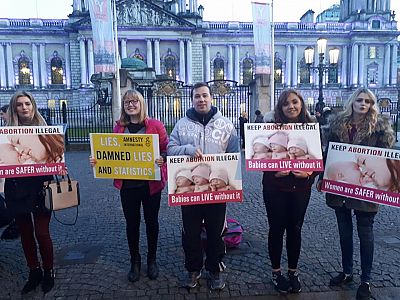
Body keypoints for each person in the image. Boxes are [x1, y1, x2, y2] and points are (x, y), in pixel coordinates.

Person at [317, 88, 395, 300]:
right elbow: (328, 154)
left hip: (364, 188)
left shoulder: (380, 129)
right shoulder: (337, 126)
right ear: (352, 102)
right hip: (340, 186)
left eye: (368, 101)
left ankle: (366, 279)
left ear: (372, 105)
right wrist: (322, 176)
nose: (363, 104)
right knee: (344, 232)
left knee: (365, 234)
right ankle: (347, 271)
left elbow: (383, 161)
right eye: (359, 100)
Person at [90, 89, 168, 283]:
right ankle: (135, 260)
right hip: (128, 185)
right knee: (131, 224)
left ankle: (152, 259)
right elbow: (112, 152)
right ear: (124, 107)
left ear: (141, 104)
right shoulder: (119, 128)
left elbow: (167, 149)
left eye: (134, 101)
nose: (131, 105)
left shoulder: (156, 126)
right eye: (127, 103)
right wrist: (97, 160)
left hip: (151, 185)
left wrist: (163, 158)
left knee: (152, 223)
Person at [167, 82, 238, 291]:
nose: (201, 99)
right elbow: (170, 149)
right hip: (190, 190)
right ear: (192, 99)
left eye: (205, 95)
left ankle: (214, 269)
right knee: (191, 232)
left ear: (211, 98)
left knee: (216, 232)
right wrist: (187, 149)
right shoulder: (181, 124)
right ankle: (193, 269)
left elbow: (233, 155)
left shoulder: (226, 125)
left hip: (216, 190)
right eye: (197, 96)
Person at [4, 91, 63, 294]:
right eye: (19, 104)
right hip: (16, 189)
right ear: (14, 108)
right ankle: (33, 271)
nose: (24, 108)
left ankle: (48, 271)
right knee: (26, 234)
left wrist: (59, 165)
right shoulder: (5, 134)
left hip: (41, 188)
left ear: (33, 106)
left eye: (27, 103)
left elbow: (56, 156)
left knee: (42, 233)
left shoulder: (46, 130)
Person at [262, 89, 317, 294]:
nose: (291, 106)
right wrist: (273, 172)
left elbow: (319, 159)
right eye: (286, 104)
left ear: (301, 104)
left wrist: (310, 174)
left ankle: (293, 271)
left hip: (301, 188)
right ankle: (276, 272)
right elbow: (258, 160)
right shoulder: (269, 128)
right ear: (281, 108)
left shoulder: (311, 129)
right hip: (275, 187)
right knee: (276, 229)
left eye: (294, 102)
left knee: (295, 228)